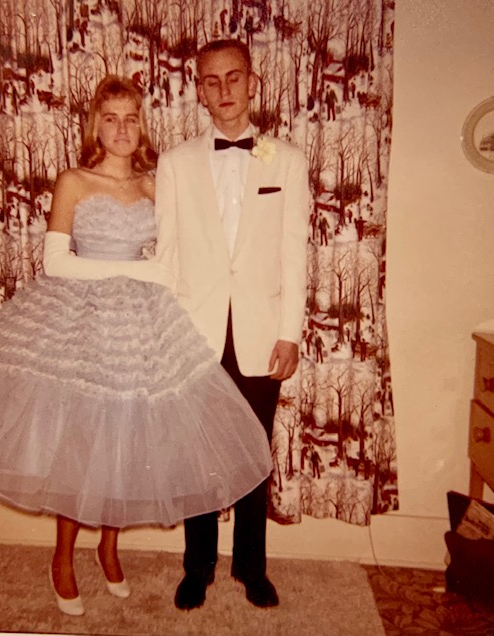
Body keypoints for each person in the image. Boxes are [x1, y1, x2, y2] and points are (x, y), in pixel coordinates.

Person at [0, 75, 273, 617]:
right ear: (96, 125)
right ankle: (62, 557)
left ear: (142, 124)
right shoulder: (74, 181)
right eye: (111, 117)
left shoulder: (158, 185)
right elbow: (56, 262)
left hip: (139, 325)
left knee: (123, 437)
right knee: (81, 441)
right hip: (78, 317)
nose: (122, 128)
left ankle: (109, 549)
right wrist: (142, 271)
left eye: (131, 117)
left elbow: (182, 255)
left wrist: (163, 274)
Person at [155, 39, 310, 610]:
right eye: (211, 80)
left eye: (234, 78)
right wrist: (167, 336)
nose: (224, 90)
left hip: (260, 332)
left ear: (253, 83)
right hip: (194, 333)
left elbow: (296, 253)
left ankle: (251, 567)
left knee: (252, 452)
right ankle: (198, 567)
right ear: (199, 89)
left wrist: (290, 331)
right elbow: (167, 255)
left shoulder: (285, 160)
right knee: (196, 452)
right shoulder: (174, 164)